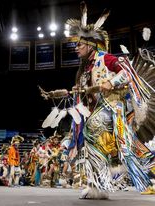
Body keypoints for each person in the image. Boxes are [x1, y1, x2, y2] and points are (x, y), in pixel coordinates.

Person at [40, 1, 155, 199]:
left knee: (93, 130)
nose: (76, 48)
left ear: (91, 44)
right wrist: (57, 94)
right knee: (88, 142)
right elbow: (78, 92)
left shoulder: (106, 58)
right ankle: (97, 186)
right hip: (94, 111)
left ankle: (105, 181)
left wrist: (111, 82)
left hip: (112, 109)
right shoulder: (84, 69)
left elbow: (128, 71)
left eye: (80, 44)